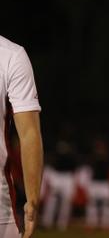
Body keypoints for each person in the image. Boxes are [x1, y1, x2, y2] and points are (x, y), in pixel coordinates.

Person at [0, 35, 43, 238]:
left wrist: (32, 200)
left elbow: (29, 134)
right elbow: (28, 134)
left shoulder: (11, 56)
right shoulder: (10, 55)